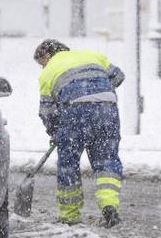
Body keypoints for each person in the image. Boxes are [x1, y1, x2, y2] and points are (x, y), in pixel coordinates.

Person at [34, 39, 125, 227]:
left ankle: (70, 215)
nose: (42, 67)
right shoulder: (93, 56)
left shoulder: (48, 73)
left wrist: (55, 131)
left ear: (48, 55)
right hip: (107, 110)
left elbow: (47, 112)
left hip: (75, 113)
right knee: (107, 159)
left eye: (41, 63)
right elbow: (118, 77)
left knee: (69, 164)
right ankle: (109, 205)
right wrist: (96, 88)